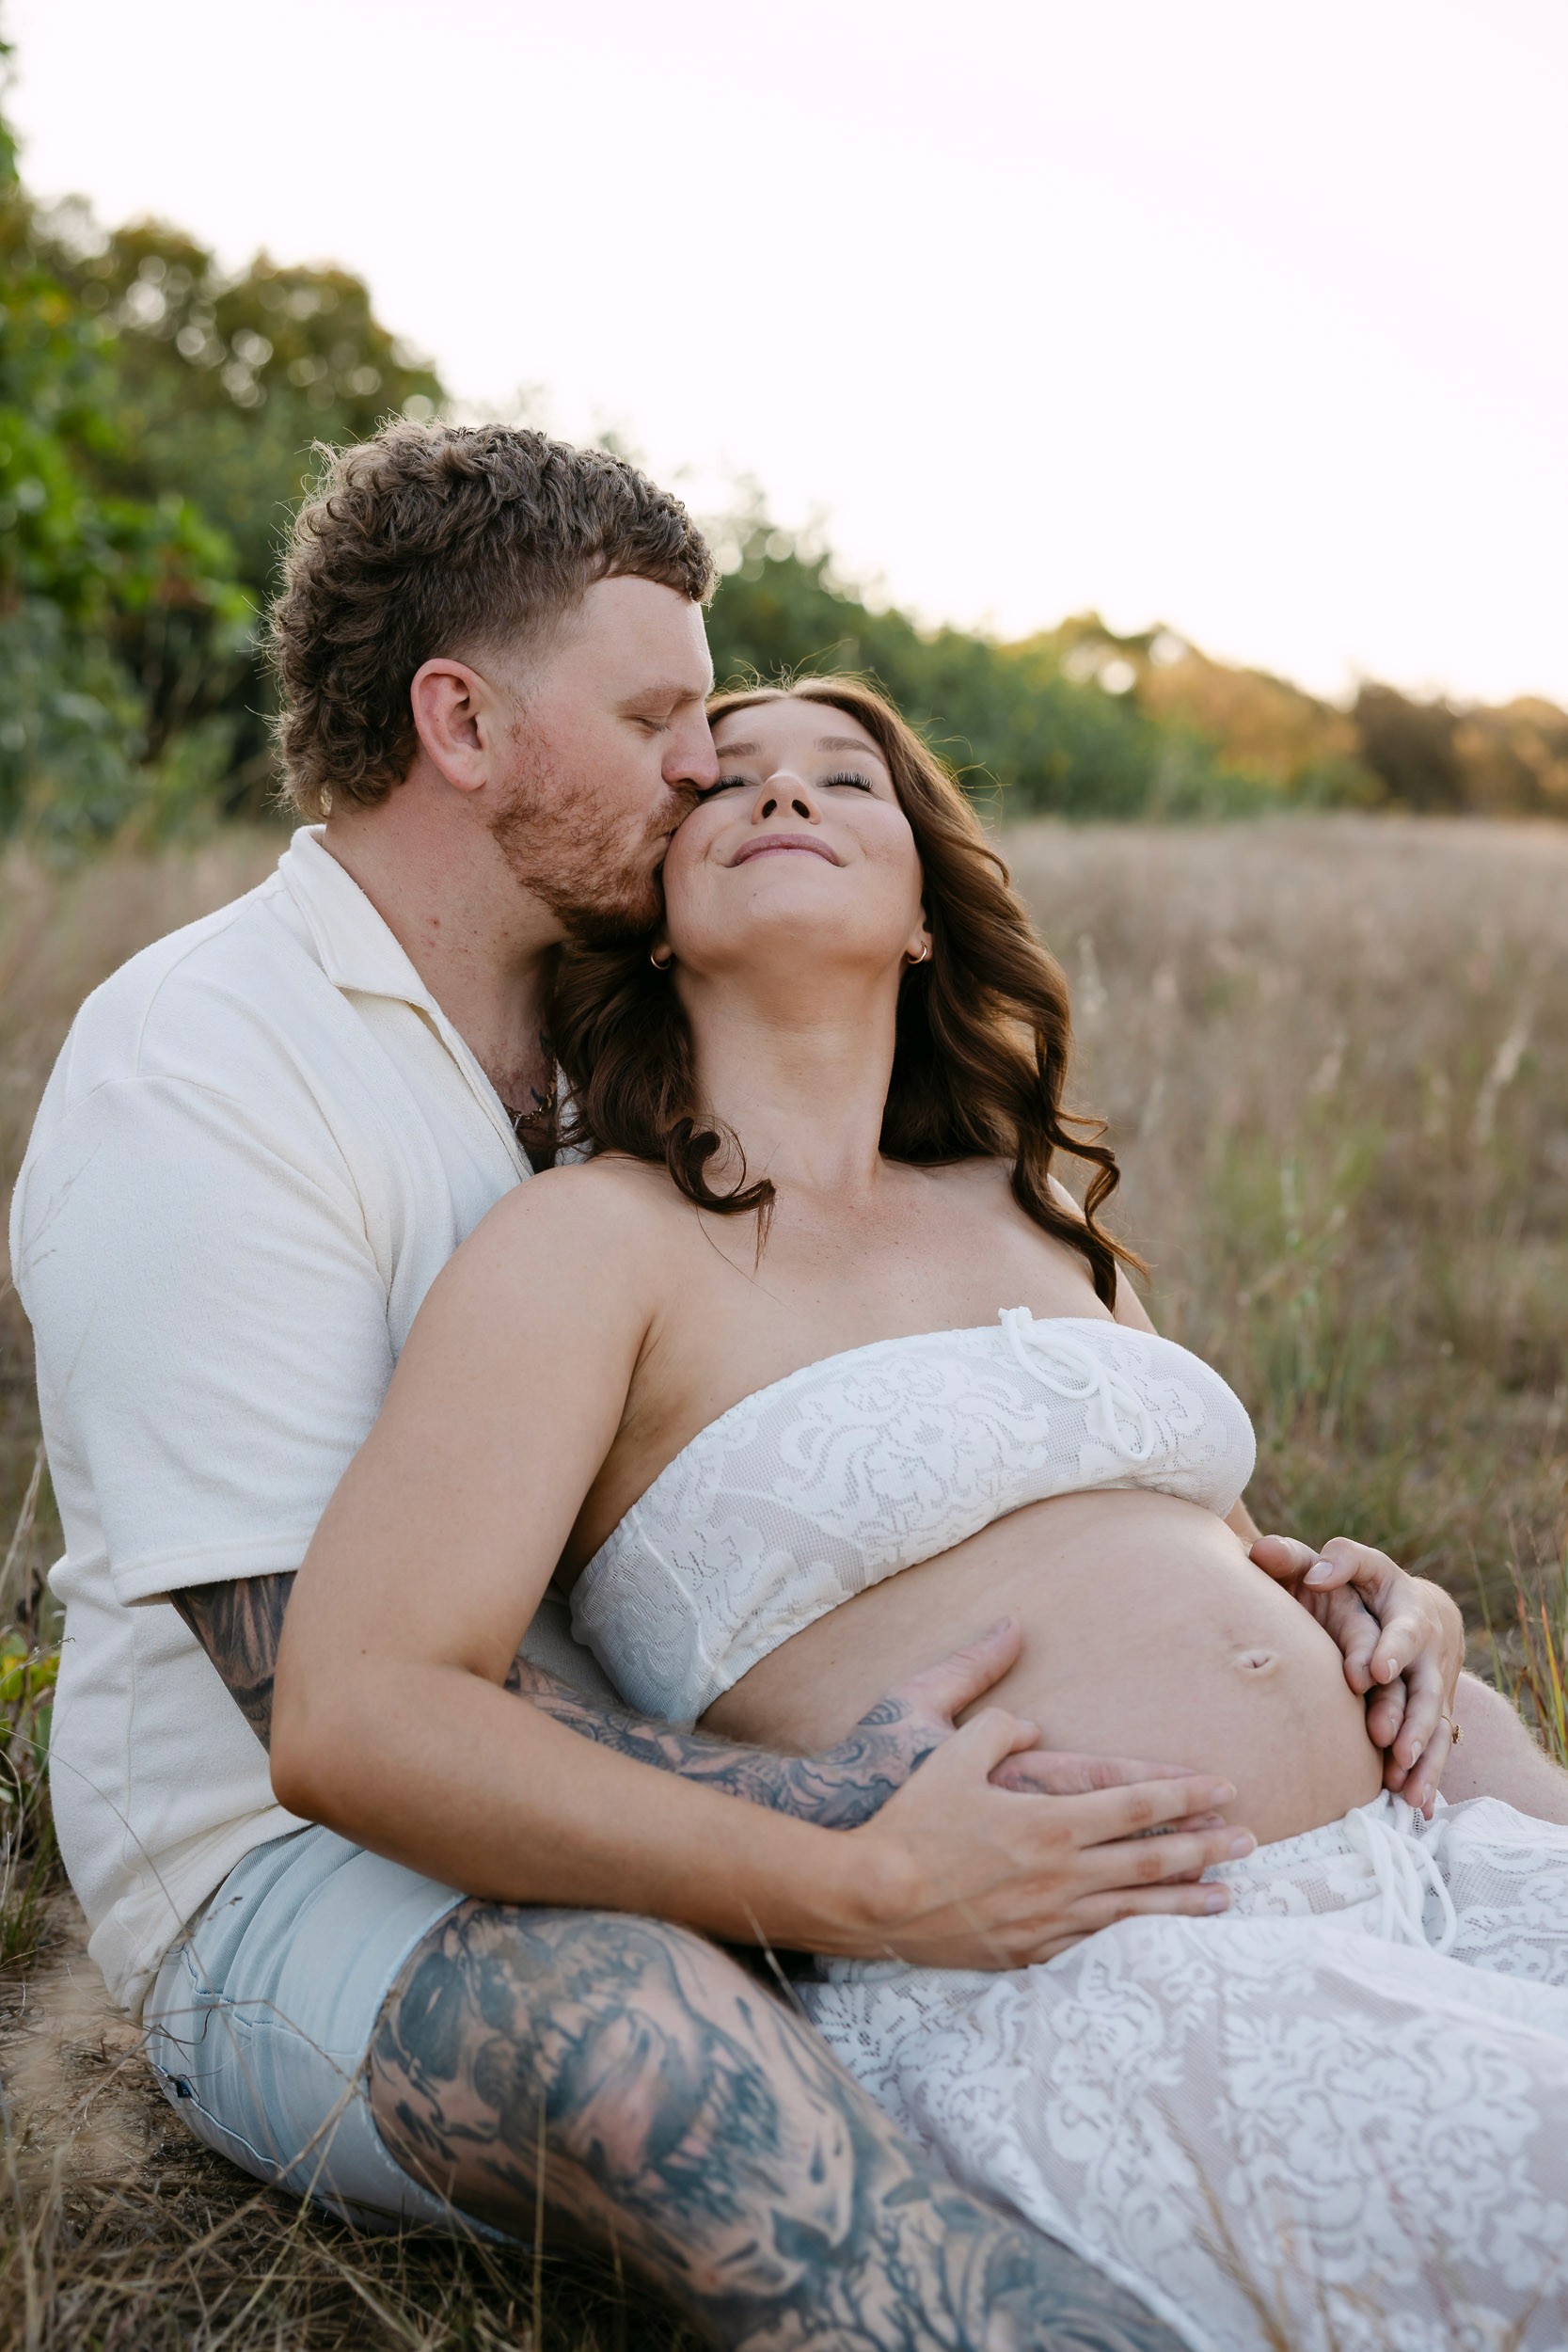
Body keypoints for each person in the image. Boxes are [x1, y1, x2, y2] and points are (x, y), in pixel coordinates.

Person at [7, 422, 1553, 2352]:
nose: (708, 766)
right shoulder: (211, 1061)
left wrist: (1319, 1596)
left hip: (766, 1796)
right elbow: (329, 1707)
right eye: (664, 717)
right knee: (654, 2049)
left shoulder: (626, 1064)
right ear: (462, 724)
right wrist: (853, 1857)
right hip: (299, 1862)